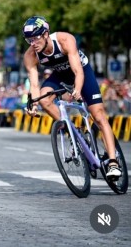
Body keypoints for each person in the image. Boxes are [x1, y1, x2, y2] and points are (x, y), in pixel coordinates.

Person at [22, 15, 122, 179]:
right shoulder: (30, 55)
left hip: (82, 72)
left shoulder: (64, 40)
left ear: (46, 34)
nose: (32, 43)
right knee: (44, 99)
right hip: (60, 75)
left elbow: (78, 72)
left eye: (35, 38)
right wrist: (33, 103)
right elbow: (34, 85)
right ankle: (73, 132)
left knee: (98, 114)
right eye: (28, 40)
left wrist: (77, 90)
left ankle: (112, 162)